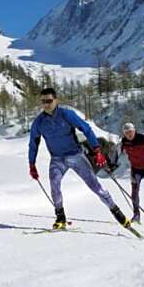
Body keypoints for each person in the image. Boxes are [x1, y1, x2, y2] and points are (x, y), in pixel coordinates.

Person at [28, 88, 132, 230]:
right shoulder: (39, 122)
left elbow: (86, 129)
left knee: (95, 186)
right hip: (57, 159)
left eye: (49, 101)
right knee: (54, 185)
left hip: (76, 156)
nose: (46, 104)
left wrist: (97, 150)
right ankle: (60, 218)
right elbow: (33, 143)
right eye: (43, 101)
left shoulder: (66, 114)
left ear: (56, 100)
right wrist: (32, 164)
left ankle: (117, 212)